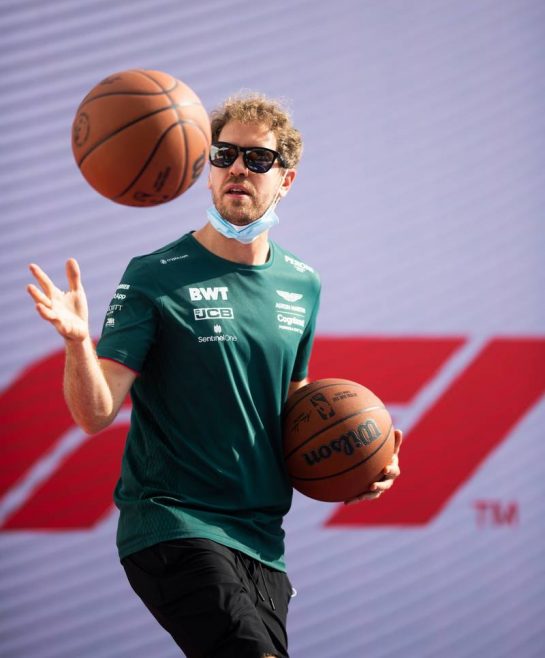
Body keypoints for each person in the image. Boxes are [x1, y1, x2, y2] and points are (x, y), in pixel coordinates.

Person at [27, 93, 402, 658]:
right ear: (207, 171)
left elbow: (293, 405)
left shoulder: (303, 282)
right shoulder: (154, 275)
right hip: (174, 523)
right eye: (225, 155)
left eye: (258, 159)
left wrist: (361, 459)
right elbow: (94, 413)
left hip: (262, 538)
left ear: (286, 180)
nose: (238, 169)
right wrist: (79, 343)